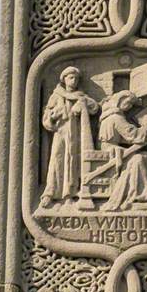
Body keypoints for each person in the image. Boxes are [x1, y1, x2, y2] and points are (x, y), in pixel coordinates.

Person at [97, 90, 147, 212]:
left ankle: (139, 190)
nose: (129, 106)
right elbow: (131, 134)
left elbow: (127, 136)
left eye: (131, 105)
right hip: (111, 150)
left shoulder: (109, 114)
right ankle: (140, 193)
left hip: (111, 147)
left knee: (144, 154)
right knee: (138, 158)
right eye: (128, 103)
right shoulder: (116, 117)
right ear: (119, 100)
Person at [40, 67, 98, 208]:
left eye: (76, 78)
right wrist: (53, 116)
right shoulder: (56, 96)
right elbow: (46, 118)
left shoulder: (80, 96)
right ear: (64, 79)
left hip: (76, 135)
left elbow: (94, 107)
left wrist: (83, 105)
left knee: (73, 162)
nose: (74, 81)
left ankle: (69, 195)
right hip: (61, 133)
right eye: (71, 77)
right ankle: (50, 193)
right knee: (57, 161)